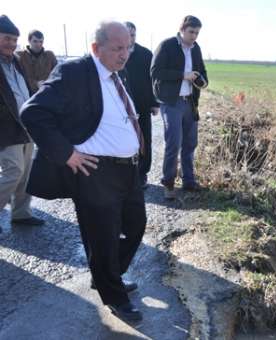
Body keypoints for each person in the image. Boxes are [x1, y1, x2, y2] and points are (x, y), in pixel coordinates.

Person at [21, 21, 146, 322]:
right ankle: (114, 295)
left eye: (127, 47)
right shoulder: (75, 72)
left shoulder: (117, 74)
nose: (125, 54)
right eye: (118, 48)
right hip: (96, 171)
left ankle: (106, 275)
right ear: (96, 48)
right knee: (102, 236)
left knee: (136, 225)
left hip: (128, 170)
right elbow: (32, 112)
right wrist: (67, 154)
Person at [151, 15, 208, 199]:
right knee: (173, 143)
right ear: (182, 29)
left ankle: (189, 182)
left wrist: (203, 81)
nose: (194, 36)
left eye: (197, 33)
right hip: (171, 102)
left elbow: (202, 70)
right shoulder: (167, 45)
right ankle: (168, 183)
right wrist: (183, 75)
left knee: (190, 143)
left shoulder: (196, 48)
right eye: (191, 32)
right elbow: (155, 72)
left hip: (190, 102)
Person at [0, 14, 45, 231]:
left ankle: (21, 213)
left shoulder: (16, 61)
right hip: (6, 128)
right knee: (13, 171)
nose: (11, 43)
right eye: (6, 38)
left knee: (27, 171)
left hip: (25, 124)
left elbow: (24, 89)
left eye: (14, 39)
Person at [121, 21, 158, 189]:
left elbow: (153, 80)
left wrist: (154, 102)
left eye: (133, 35)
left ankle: (142, 173)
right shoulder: (116, 54)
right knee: (124, 139)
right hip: (121, 105)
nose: (130, 38)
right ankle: (125, 174)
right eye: (127, 35)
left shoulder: (145, 54)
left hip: (142, 104)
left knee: (144, 140)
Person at [15, 29, 57, 94]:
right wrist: (35, 84)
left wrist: (47, 84)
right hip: (27, 95)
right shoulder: (19, 56)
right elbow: (17, 77)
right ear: (29, 41)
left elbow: (57, 74)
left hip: (47, 93)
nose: (38, 44)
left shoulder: (50, 56)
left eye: (41, 42)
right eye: (35, 41)